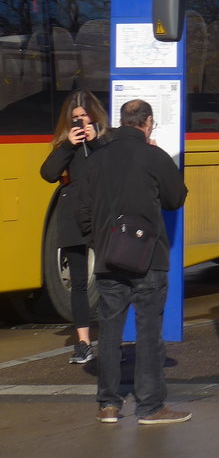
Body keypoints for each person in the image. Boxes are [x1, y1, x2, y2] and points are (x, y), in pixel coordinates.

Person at [75, 99, 190, 425]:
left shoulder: (96, 160)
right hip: (148, 257)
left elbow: (81, 210)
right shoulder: (154, 156)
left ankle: (108, 405)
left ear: (121, 122)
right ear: (148, 122)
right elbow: (175, 197)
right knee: (149, 330)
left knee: (109, 331)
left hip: (109, 257)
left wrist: (97, 240)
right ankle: (151, 407)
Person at [39, 90, 110, 365]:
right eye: (75, 118)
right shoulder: (64, 145)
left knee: (109, 279)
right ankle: (83, 342)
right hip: (73, 218)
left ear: (94, 116)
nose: (80, 123)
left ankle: (112, 341)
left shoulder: (107, 140)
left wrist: (97, 142)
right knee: (79, 283)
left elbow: (114, 169)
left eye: (84, 117)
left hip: (102, 216)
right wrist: (69, 145)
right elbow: (47, 174)